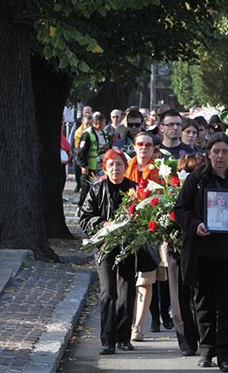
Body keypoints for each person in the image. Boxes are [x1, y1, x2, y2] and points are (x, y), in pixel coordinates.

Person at [174, 133, 228, 372]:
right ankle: (206, 350)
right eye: (216, 152)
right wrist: (195, 225)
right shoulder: (197, 179)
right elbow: (181, 209)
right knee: (203, 304)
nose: (220, 156)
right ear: (208, 154)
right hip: (203, 253)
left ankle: (226, 356)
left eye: (225, 151)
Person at [79, 149, 137, 355]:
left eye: (119, 164)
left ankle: (124, 338)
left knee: (127, 291)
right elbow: (84, 218)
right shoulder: (96, 189)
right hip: (105, 246)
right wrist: (104, 223)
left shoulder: (134, 188)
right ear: (105, 168)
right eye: (111, 165)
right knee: (108, 292)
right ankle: (107, 340)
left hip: (128, 245)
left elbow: (143, 216)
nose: (116, 169)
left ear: (125, 167)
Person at [123, 132, 169, 341]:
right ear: (134, 146)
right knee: (126, 282)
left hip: (149, 231)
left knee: (145, 280)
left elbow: (165, 197)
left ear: (153, 149)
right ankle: (127, 322)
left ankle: (137, 327)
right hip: (126, 232)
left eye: (148, 145)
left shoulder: (159, 171)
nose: (144, 148)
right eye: (140, 144)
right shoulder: (124, 167)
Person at [167, 154, 204, 356]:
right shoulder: (172, 190)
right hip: (176, 247)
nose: (194, 174)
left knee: (200, 293)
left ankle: (203, 334)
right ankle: (187, 342)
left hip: (200, 246)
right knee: (179, 296)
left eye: (199, 169)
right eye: (190, 170)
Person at [76, 112, 111, 212]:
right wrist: (83, 165)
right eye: (104, 122)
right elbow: (81, 151)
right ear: (98, 123)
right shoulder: (88, 134)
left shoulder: (102, 133)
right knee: (86, 188)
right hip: (90, 167)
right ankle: (80, 207)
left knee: (99, 187)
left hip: (100, 167)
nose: (105, 124)